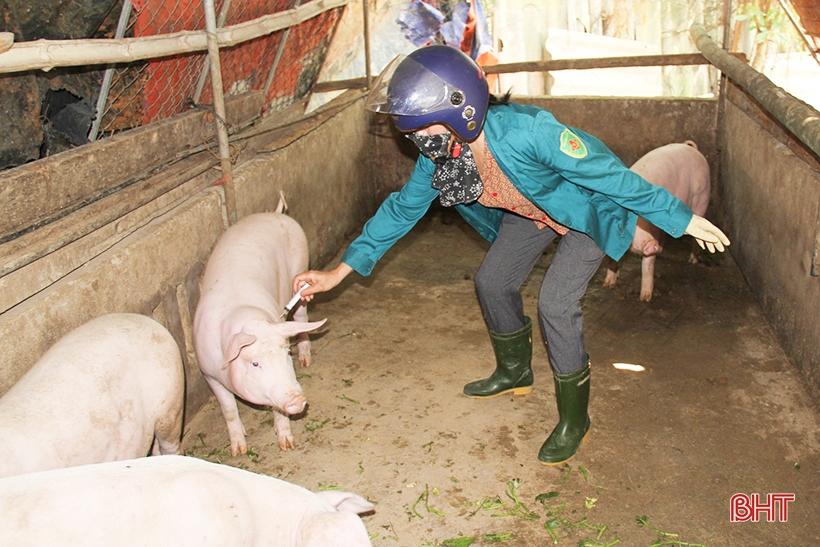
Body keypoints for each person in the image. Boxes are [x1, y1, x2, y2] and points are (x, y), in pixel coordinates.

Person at [292, 45, 730, 465]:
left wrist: (681, 217)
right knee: (492, 281)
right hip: (531, 212)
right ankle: (515, 371)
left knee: (556, 303)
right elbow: (402, 209)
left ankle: (575, 421)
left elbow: (608, 175)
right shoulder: (443, 153)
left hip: (584, 211)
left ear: (459, 110)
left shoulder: (529, 132)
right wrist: (337, 274)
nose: (416, 140)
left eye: (423, 127)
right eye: (412, 131)